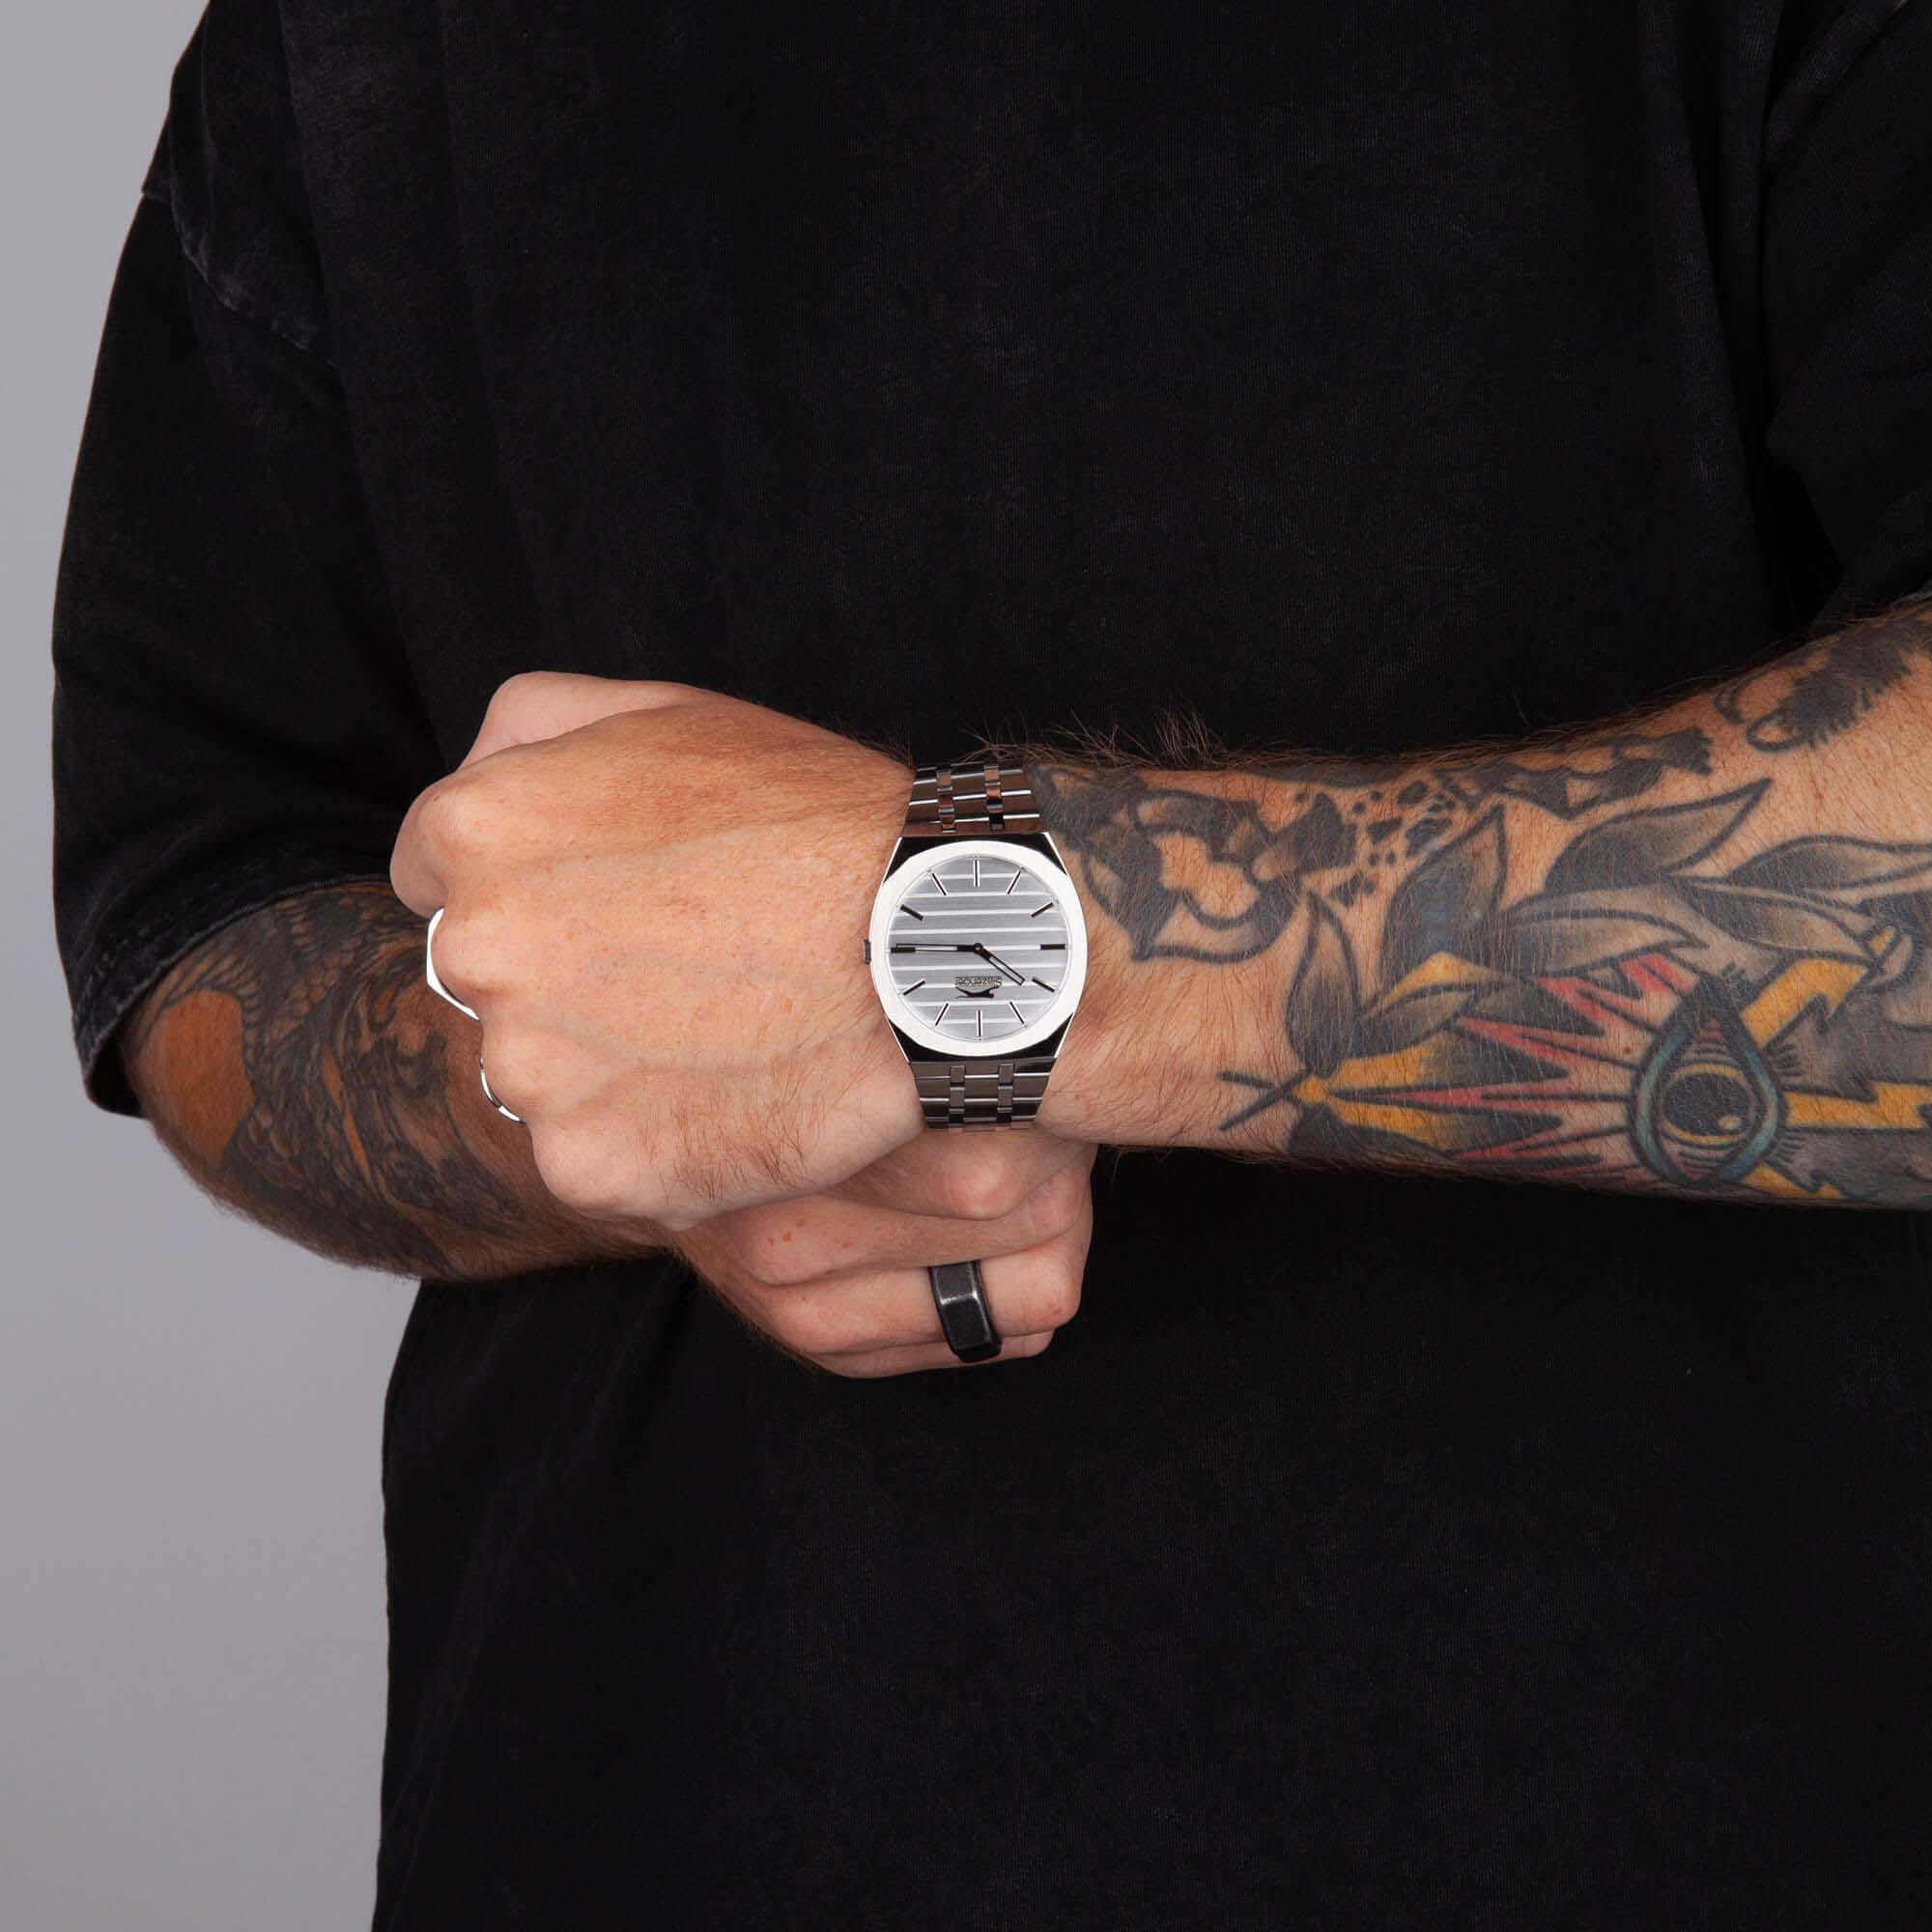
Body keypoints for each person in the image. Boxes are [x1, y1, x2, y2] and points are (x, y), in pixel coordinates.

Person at [51, 0, 1932, 1922]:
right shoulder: (352, 50)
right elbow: (205, 920)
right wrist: (597, 1104)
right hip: (646, 1804)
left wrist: (969, 945)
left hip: (1706, 1793)